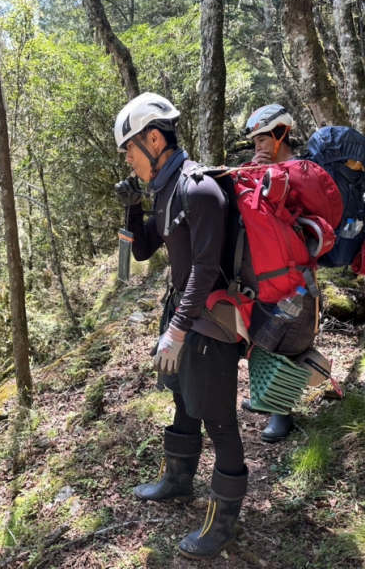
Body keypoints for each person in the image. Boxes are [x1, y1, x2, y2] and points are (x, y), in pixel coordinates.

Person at [113, 92, 248, 560]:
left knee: (220, 420)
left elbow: (207, 270)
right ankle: (178, 481)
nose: (130, 162)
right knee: (182, 395)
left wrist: (178, 330)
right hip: (185, 314)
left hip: (210, 324)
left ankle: (224, 523)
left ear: (155, 139)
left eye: (131, 151)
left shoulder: (198, 189)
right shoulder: (165, 190)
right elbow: (143, 250)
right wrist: (133, 206)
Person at [240, 103, 300, 442]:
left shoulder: (300, 170)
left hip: (296, 277)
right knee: (260, 336)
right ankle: (266, 395)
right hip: (264, 272)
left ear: (281, 134)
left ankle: (283, 414)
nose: (259, 147)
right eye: (256, 141)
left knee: (284, 338)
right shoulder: (260, 167)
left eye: (264, 139)